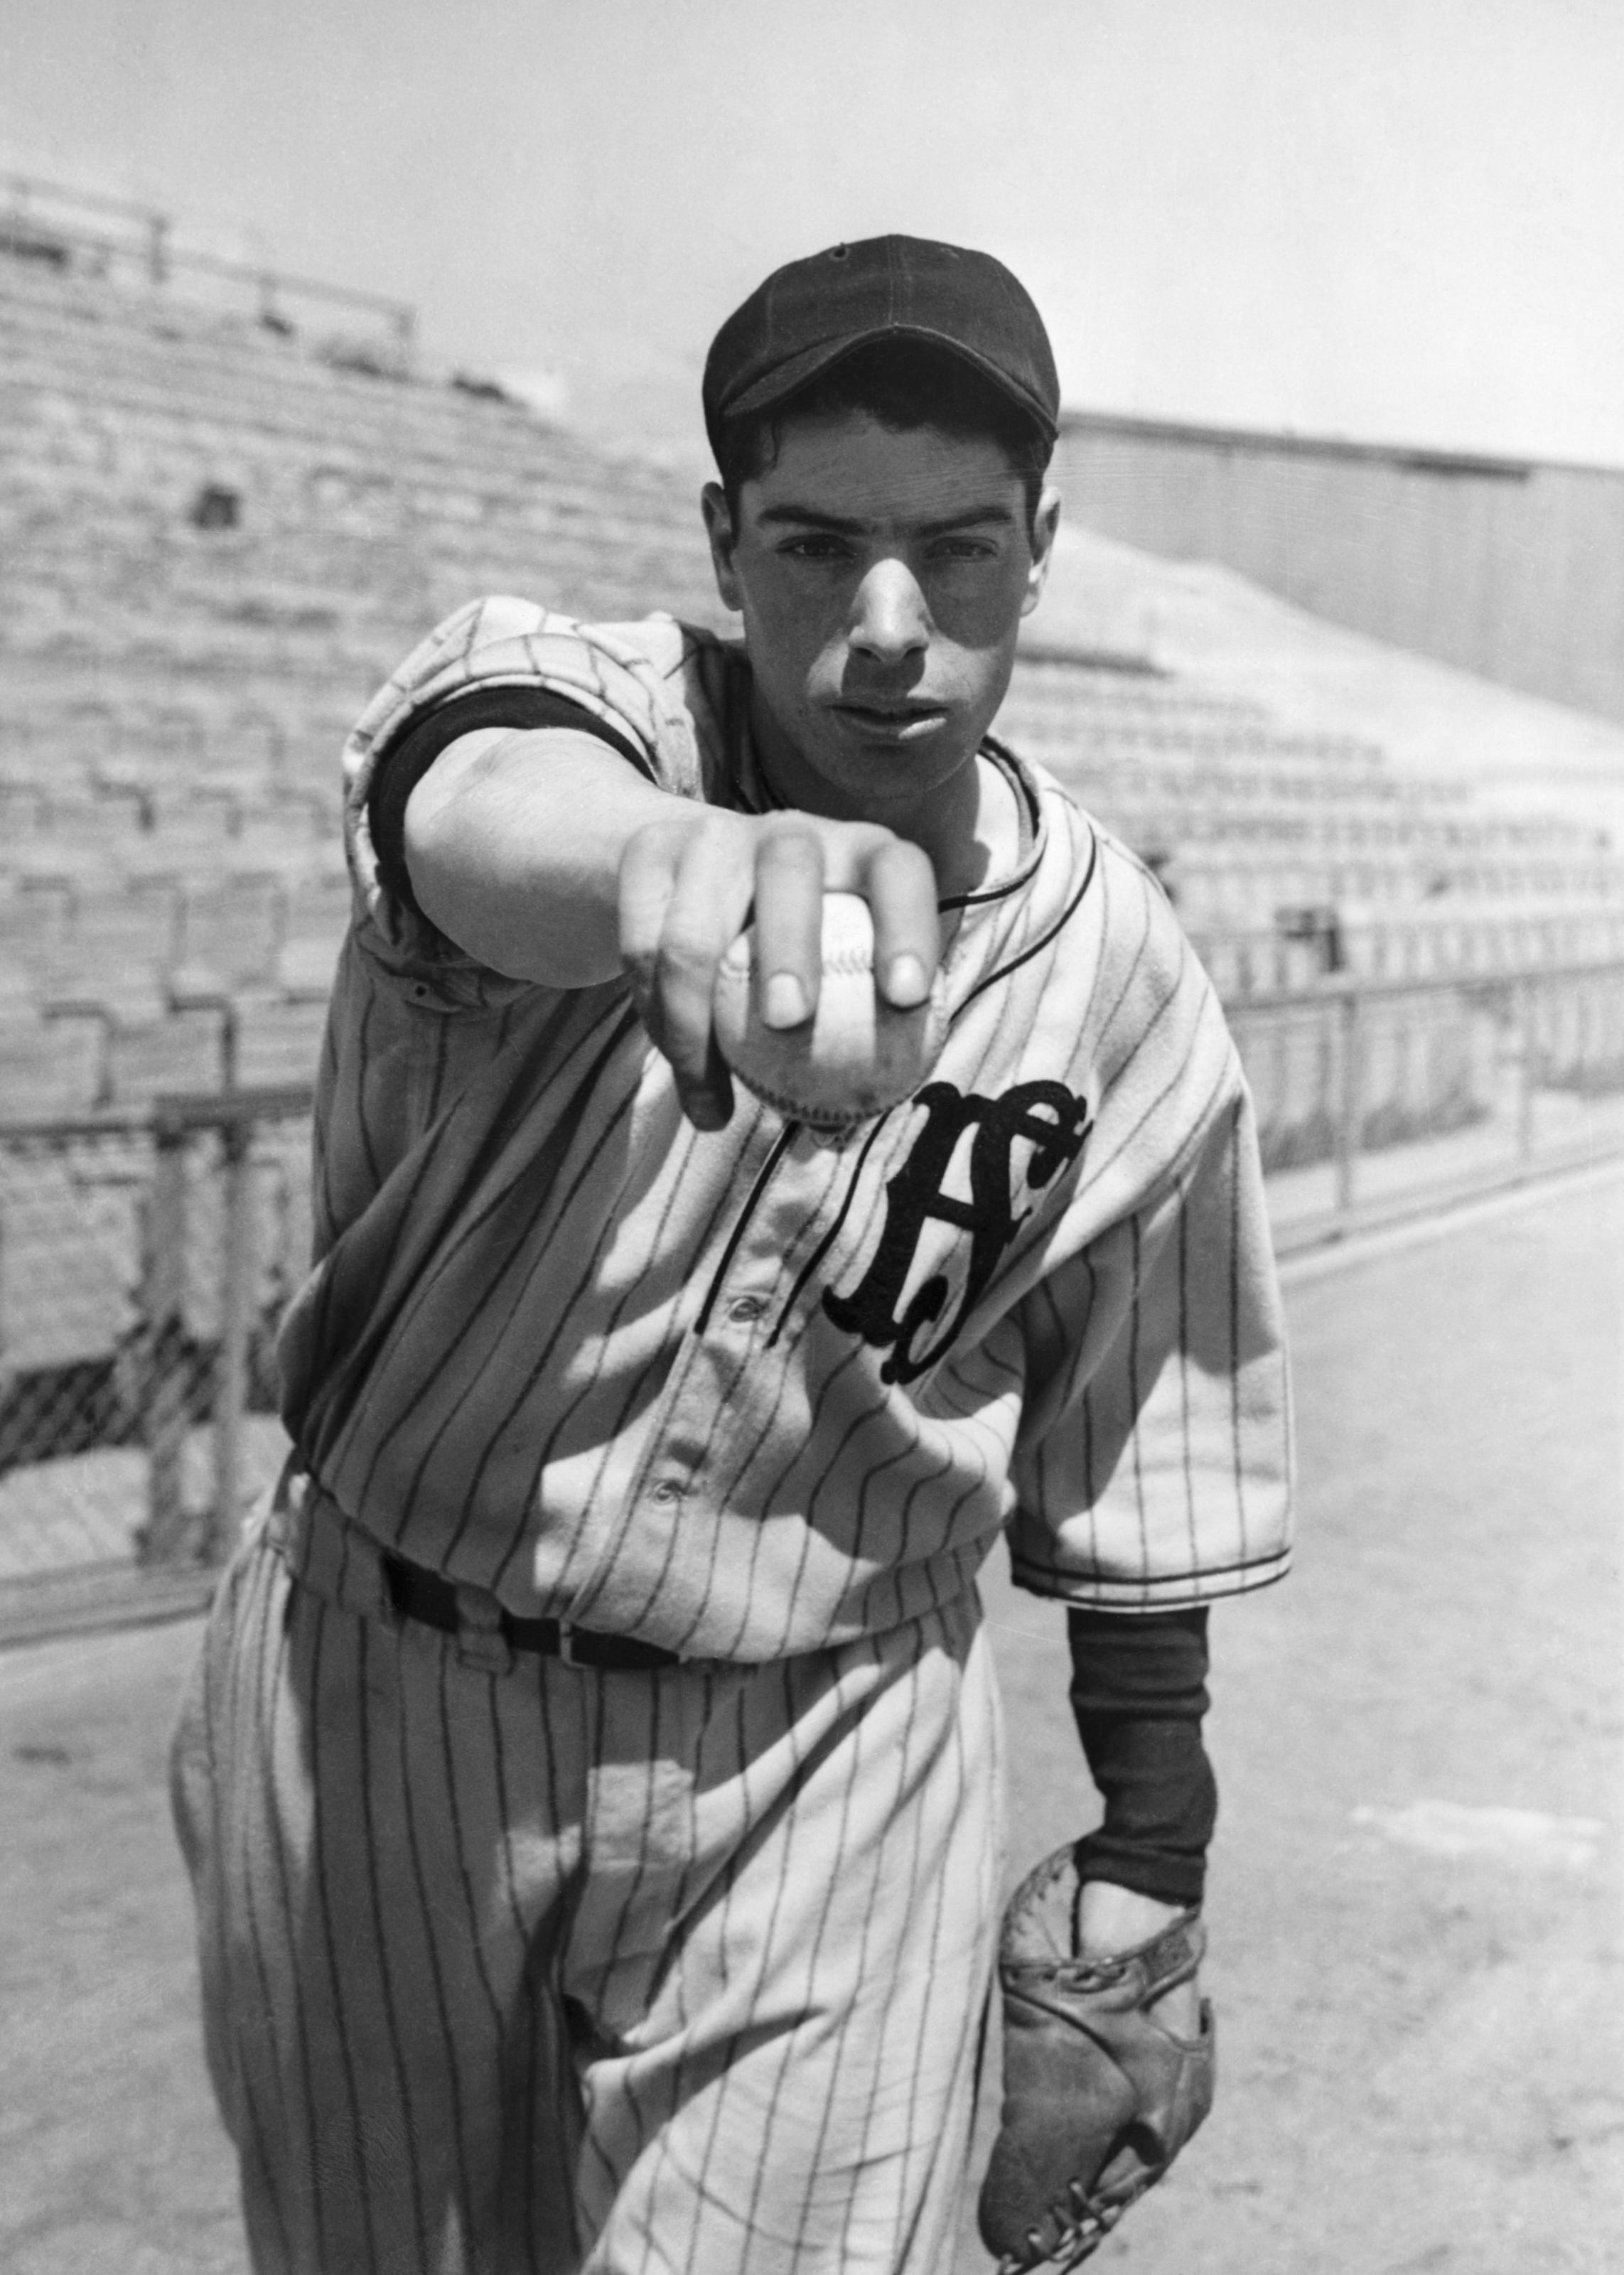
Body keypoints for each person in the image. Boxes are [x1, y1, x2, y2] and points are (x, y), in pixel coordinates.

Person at [171, 234, 1292, 2275]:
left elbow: (1149, 1447)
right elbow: (461, 795)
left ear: (1040, 549)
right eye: (812, 547)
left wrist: (1152, 1843)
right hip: (384, 1680)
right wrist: (659, 862)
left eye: (955, 553)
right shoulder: (602, 729)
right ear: (719, 538)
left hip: (826, 1743)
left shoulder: (1117, 968)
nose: (886, 628)